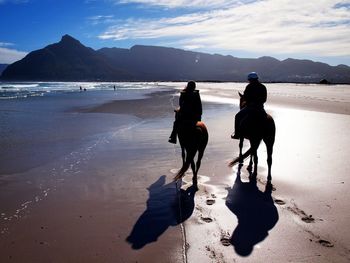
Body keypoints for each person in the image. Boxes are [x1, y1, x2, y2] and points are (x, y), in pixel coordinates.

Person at [232, 72, 267, 139]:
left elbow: (245, 97)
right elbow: (264, 99)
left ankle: (237, 134)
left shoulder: (249, 86)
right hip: (260, 108)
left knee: (237, 116)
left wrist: (250, 102)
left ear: (250, 79)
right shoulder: (263, 87)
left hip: (250, 108)